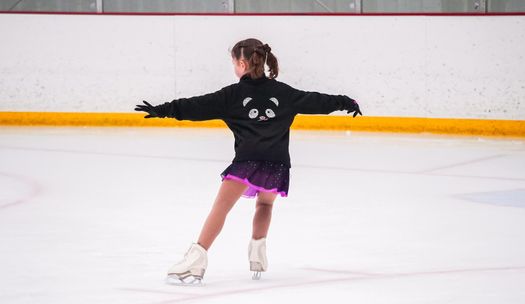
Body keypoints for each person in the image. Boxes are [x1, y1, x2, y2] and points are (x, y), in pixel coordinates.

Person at [135, 38, 362, 285]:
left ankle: (195, 262)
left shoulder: (232, 95)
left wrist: (164, 109)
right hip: (277, 166)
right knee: (264, 206)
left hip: (247, 164)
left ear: (241, 63)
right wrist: (346, 101)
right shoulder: (284, 93)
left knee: (220, 209)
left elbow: (197, 106)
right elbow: (318, 101)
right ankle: (258, 255)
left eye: (233, 62)